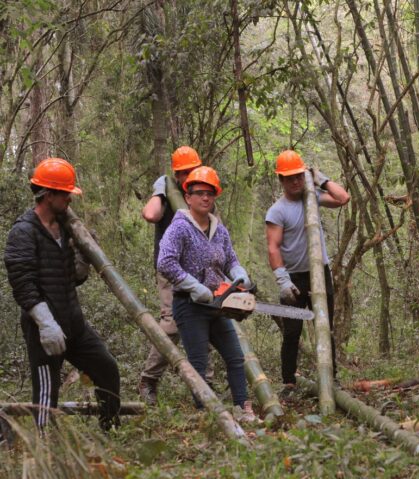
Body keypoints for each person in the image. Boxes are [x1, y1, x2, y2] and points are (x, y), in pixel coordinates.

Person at [4, 158, 121, 431]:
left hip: (73, 322)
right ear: (49, 195)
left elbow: (71, 280)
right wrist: (46, 324)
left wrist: (82, 258)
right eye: (66, 193)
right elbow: (23, 285)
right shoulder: (23, 232)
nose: (70, 199)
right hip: (43, 327)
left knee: (107, 368)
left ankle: (111, 429)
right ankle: (45, 448)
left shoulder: (67, 228)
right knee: (47, 390)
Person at [157, 166, 258, 423]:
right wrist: (193, 286)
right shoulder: (179, 227)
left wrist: (239, 274)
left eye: (210, 193)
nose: (205, 198)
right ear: (188, 196)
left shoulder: (219, 230)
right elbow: (165, 262)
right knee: (198, 363)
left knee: (235, 357)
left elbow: (230, 260)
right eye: (199, 193)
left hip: (217, 304)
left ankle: (242, 408)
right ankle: (206, 416)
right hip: (189, 305)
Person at [265, 150, 350, 396]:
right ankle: (289, 383)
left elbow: (343, 198)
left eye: (299, 176)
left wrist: (320, 179)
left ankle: (330, 380)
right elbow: (273, 247)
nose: (295, 182)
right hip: (292, 276)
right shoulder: (277, 211)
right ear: (280, 180)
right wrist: (282, 280)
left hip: (319, 273)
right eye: (289, 177)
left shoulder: (312, 197)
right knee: (292, 332)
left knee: (325, 326)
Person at [139, 146, 205, 405]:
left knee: (204, 320)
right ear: (176, 175)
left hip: (199, 270)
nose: (188, 177)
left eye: (192, 171)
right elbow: (150, 215)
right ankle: (149, 379)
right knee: (172, 323)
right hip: (171, 268)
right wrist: (160, 191)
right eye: (183, 173)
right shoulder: (168, 193)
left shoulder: (202, 191)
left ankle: (204, 382)